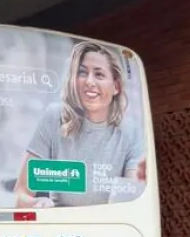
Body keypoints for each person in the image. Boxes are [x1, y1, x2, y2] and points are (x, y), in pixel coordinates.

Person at [14, 40, 146, 208]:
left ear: (116, 87)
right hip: (62, 223)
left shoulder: (131, 132)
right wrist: (38, 203)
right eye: (82, 73)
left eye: (99, 74)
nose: (89, 81)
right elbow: (21, 195)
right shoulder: (55, 117)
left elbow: (132, 200)